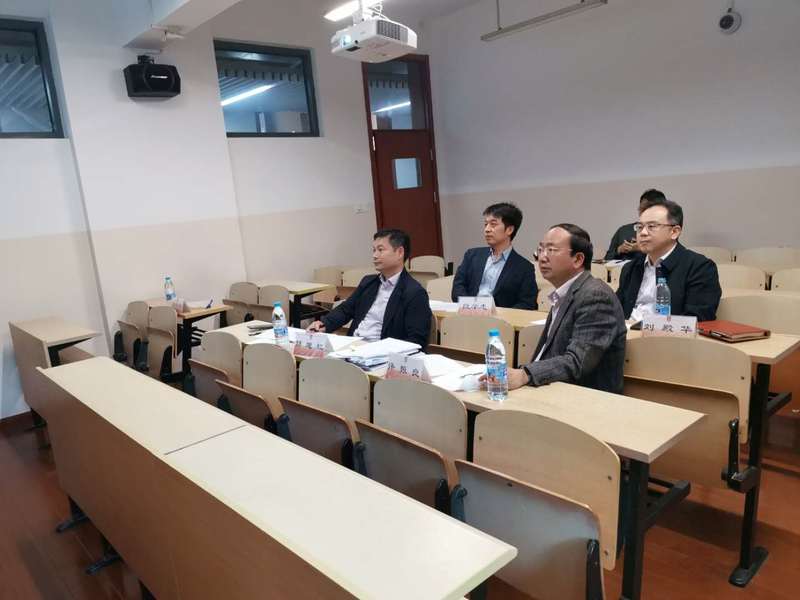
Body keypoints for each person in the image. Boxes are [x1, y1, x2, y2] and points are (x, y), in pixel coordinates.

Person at [498, 224, 627, 394]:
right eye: (540, 250)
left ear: (578, 259)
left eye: (551, 250)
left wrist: (525, 374)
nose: (542, 257)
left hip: (584, 398)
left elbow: (577, 362)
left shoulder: (595, 296)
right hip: (555, 388)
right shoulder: (566, 292)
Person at [307, 229, 432, 349]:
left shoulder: (415, 293)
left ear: (400, 252)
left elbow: (416, 340)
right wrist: (324, 324)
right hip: (353, 346)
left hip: (380, 353)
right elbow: (346, 310)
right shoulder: (368, 282)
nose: (375, 255)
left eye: (380, 250)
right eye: (374, 250)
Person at [616, 198, 721, 321]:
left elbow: (697, 319)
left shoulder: (700, 268)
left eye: (651, 226)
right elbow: (615, 310)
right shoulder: (630, 268)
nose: (643, 233)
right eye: (639, 227)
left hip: (666, 332)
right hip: (626, 331)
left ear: (674, 232)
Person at [451, 203, 538, 309]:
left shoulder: (524, 268)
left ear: (509, 230)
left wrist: (501, 314)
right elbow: (458, 288)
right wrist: (473, 308)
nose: (487, 229)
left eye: (493, 224)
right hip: (468, 313)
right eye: (485, 224)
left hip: (501, 318)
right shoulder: (472, 256)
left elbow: (527, 303)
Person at [604, 189, 666, 261]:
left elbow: (670, 257)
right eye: (642, 208)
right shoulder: (623, 230)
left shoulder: (666, 231)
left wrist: (642, 248)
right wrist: (619, 250)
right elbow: (607, 258)